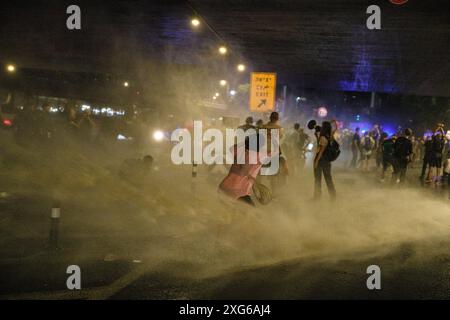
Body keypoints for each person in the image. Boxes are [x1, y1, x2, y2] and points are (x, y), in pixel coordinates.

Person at [219, 135, 267, 206]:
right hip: (239, 191)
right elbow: (276, 152)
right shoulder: (258, 156)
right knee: (249, 213)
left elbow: (232, 148)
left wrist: (246, 142)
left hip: (224, 186)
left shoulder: (238, 150)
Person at [313, 120, 337, 200]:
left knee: (317, 179)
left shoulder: (323, 137)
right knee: (328, 179)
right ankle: (333, 196)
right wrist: (333, 123)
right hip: (327, 161)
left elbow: (321, 150)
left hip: (321, 160)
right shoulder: (330, 136)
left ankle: (317, 196)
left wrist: (316, 161)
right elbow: (335, 129)